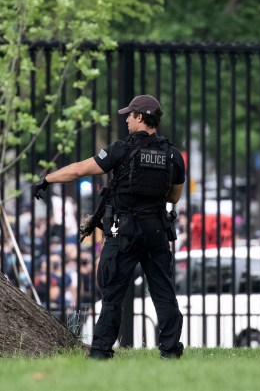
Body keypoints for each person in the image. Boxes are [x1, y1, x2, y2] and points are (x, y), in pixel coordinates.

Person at [32, 94, 185, 360]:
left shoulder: (120, 149)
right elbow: (174, 197)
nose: (126, 119)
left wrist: (47, 179)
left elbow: (79, 170)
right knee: (163, 291)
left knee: (113, 294)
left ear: (140, 117)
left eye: (129, 115)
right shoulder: (173, 155)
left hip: (123, 232)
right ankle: (170, 350)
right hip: (156, 231)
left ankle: (101, 350)